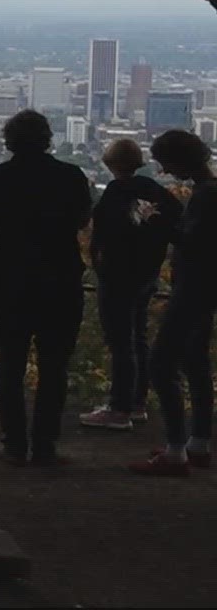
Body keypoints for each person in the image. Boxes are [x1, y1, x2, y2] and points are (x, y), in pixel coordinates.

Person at [0, 110, 94, 466]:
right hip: (62, 283)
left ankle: (14, 443)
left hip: (13, 283)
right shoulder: (71, 176)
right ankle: (45, 445)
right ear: (47, 138)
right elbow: (84, 220)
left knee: (9, 365)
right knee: (55, 367)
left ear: (9, 140)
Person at [130, 130, 217, 477]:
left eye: (166, 163)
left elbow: (190, 241)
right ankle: (198, 442)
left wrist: (157, 221)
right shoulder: (210, 190)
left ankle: (176, 449)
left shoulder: (206, 196)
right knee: (195, 362)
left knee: (161, 362)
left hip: (192, 287)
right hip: (206, 287)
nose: (164, 171)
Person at [81, 139, 178, 431]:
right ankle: (137, 403)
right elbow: (175, 225)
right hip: (146, 274)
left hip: (117, 276)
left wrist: (99, 266)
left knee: (120, 341)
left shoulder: (114, 192)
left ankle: (119, 407)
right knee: (138, 337)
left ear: (110, 164)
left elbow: (100, 234)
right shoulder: (157, 192)